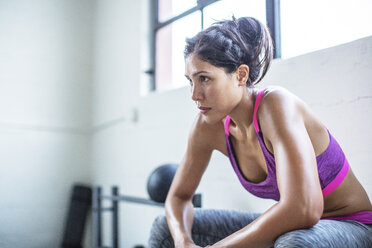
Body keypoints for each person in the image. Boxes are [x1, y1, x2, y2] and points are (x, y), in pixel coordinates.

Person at [148, 16, 372, 248]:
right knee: (165, 228)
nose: (194, 95)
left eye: (204, 79)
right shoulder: (207, 126)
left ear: (241, 75)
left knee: (294, 242)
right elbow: (178, 197)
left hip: (353, 227)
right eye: (190, 81)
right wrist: (184, 242)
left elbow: (304, 209)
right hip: (297, 228)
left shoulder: (276, 105)